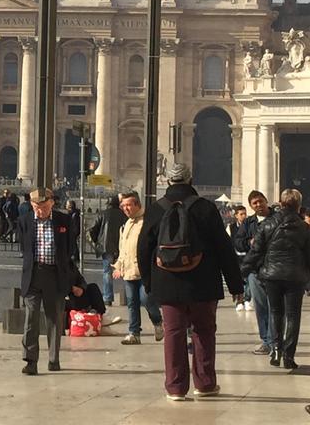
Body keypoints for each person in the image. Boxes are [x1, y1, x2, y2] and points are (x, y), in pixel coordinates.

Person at [139, 162, 245, 401]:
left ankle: (175, 387)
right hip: (203, 281)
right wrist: (236, 285)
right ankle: (205, 383)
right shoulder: (205, 208)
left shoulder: (156, 208)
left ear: (168, 181)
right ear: (190, 179)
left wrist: (149, 282)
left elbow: (143, 248)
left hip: (167, 281)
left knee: (173, 333)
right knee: (204, 332)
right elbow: (223, 248)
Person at [242, 188, 310, 370]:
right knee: (293, 316)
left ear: (281, 203)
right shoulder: (304, 228)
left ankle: (276, 349)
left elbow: (256, 252)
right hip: (295, 277)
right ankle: (289, 355)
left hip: (271, 276)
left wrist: (241, 273)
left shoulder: (268, 224)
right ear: (299, 205)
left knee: (275, 312)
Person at [18, 187, 75, 375]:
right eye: (36, 206)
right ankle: (30, 360)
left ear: (52, 202)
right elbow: (24, 246)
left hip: (55, 275)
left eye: (43, 206)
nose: (39, 210)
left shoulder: (64, 220)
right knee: (31, 319)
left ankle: (53, 358)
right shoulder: (25, 221)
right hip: (33, 274)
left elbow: (70, 248)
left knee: (55, 319)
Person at [112, 191, 163, 345]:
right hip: (128, 270)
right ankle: (134, 333)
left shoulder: (147, 222)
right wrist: (118, 266)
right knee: (131, 303)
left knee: (146, 299)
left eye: (128, 205)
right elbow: (123, 248)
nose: (125, 209)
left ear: (137, 205)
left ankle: (158, 321)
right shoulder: (126, 224)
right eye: (123, 206)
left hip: (145, 270)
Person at [233, 190, 275, 354]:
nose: (258, 205)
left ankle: (274, 340)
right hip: (254, 270)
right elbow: (238, 242)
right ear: (251, 205)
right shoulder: (249, 222)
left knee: (275, 307)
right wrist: (249, 242)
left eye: (260, 201)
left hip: (273, 268)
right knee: (261, 307)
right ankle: (266, 340)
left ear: (266, 200)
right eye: (254, 203)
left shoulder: (277, 218)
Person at [89, 195, 126, 305]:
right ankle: (127, 297)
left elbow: (92, 229)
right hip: (121, 246)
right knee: (125, 271)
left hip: (106, 247)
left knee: (107, 273)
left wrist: (97, 241)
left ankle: (108, 298)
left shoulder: (103, 214)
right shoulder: (123, 214)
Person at [228, 205, 252, 310]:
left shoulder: (249, 225)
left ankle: (247, 299)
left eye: (245, 213)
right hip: (236, 256)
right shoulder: (230, 227)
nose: (244, 216)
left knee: (249, 279)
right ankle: (239, 300)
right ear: (236, 215)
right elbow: (227, 242)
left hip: (248, 256)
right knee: (238, 279)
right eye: (241, 214)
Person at [66, 199, 82, 264]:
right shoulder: (73, 213)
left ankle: (75, 257)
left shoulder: (74, 214)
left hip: (73, 231)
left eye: (67, 204)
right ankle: (75, 256)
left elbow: (74, 223)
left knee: (73, 244)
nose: (66, 206)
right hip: (74, 231)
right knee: (73, 244)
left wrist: (74, 232)